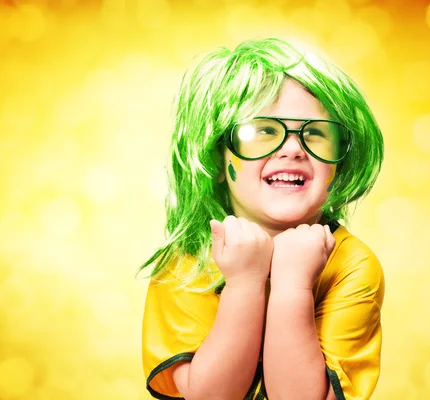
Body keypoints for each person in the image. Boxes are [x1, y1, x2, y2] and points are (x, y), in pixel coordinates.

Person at [140, 37, 385, 400]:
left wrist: (292, 284)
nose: (292, 148)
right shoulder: (187, 262)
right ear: (216, 158)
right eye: (263, 131)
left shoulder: (352, 265)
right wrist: (245, 283)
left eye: (316, 133)